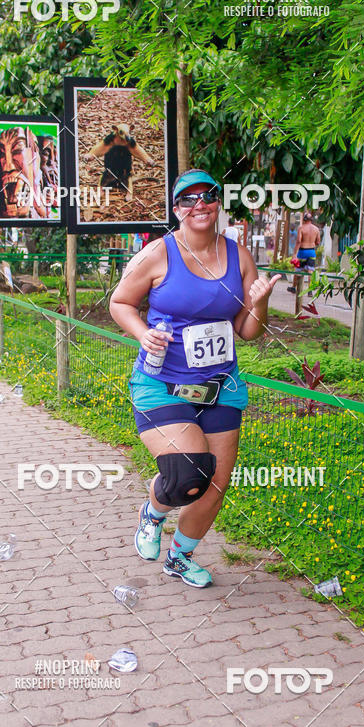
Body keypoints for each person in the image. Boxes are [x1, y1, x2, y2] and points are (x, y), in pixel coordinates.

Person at [109, 168, 282, 588]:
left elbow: (247, 331)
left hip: (221, 386)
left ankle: (180, 557)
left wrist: (260, 303)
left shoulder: (238, 254)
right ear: (177, 209)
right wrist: (142, 332)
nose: (199, 205)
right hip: (161, 383)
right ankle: (152, 512)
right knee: (188, 474)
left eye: (207, 196)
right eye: (188, 199)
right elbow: (120, 302)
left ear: (218, 203)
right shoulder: (157, 254)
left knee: (216, 483)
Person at [87, 123, 155, 202]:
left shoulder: (129, 142)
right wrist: (90, 155)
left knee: (127, 177)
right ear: (115, 130)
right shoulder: (110, 140)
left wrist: (147, 159)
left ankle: (129, 193)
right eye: (122, 133)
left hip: (124, 169)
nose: (126, 137)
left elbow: (137, 150)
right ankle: (100, 190)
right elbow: (100, 148)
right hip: (110, 168)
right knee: (104, 176)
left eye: (128, 133)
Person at [287, 212, 320, 294]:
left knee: (298, 270)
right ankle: (310, 290)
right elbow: (318, 242)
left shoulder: (301, 228)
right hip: (312, 252)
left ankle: (294, 287)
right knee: (310, 271)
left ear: (304, 219)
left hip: (302, 251)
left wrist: (295, 254)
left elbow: (298, 241)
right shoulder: (316, 229)